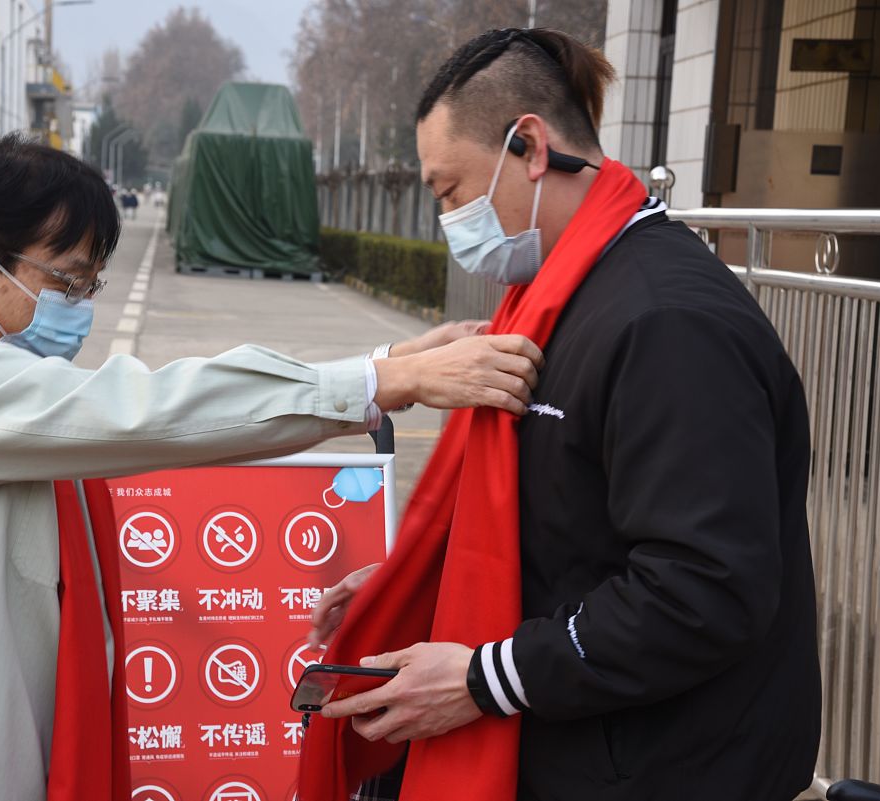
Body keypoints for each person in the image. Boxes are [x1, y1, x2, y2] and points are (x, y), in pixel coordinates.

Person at [0, 135, 543, 801]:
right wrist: (380, 383)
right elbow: (146, 408)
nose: (79, 308)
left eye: (91, 287)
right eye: (65, 283)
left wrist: (386, 360)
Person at [301, 28, 820, 801]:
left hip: (663, 766)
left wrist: (483, 678)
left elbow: (703, 590)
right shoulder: (562, 299)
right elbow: (576, 524)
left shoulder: (665, 321)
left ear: (530, 145)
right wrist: (416, 585)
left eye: (451, 191)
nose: (451, 221)